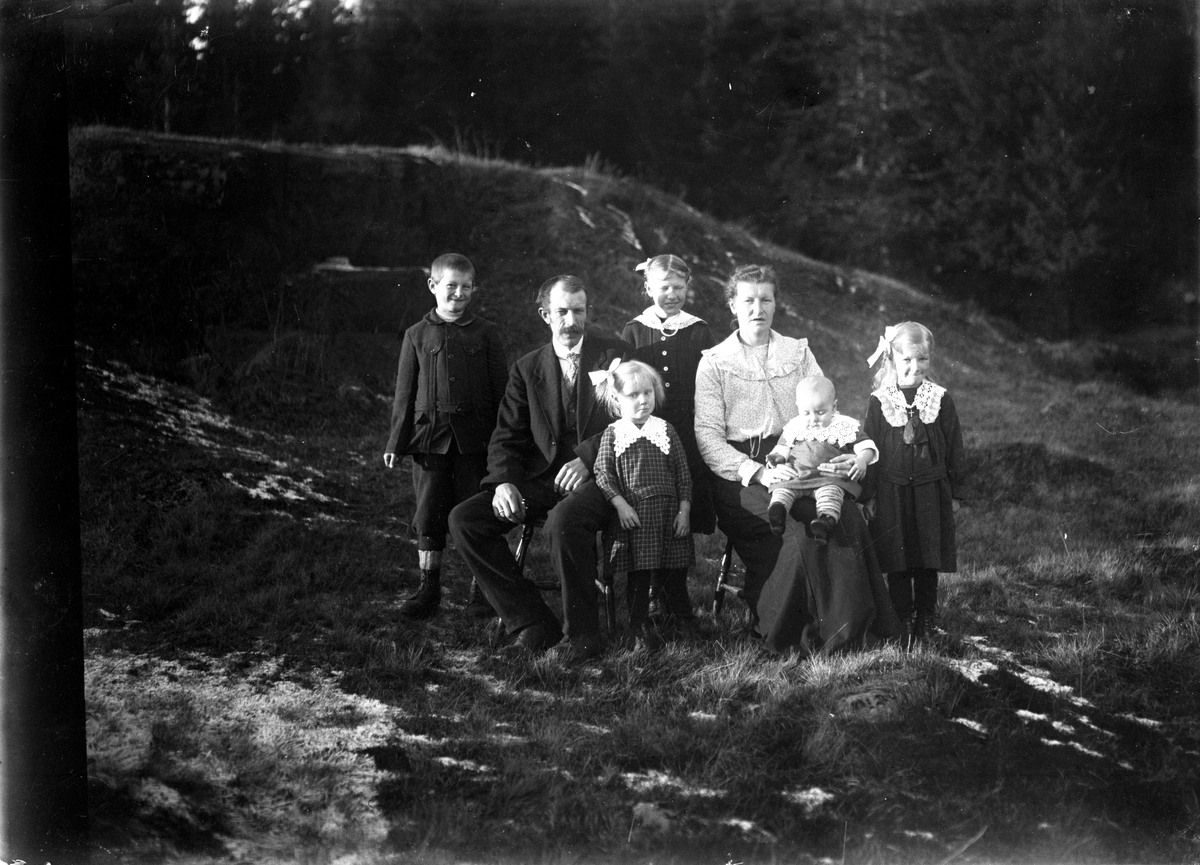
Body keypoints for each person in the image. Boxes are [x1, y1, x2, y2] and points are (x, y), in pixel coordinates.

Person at [694, 264, 900, 654]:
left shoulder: (798, 352)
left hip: (808, 459)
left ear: (775, 304)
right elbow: (707, 437)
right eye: (748, 300)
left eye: (766, 299)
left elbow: (828, 410)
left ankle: (855, 628)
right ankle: (798, 635)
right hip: (746, 473)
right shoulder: (715, 362)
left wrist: (840, 456)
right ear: (733, 306)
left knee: (846, 518)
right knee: (799, 534)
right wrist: (757, 473)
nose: (758, 308)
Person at [447, 275, 632, 664]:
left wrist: (587, 458)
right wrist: (503, 483)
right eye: (562, 312)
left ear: (588, 312)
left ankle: (582, 636)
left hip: (601, 478)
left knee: (563, 521)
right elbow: (506, 436)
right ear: (545, 314)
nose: (571, 321)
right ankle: (531, 621)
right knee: (466, 519)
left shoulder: (614, 354)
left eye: (579, 311)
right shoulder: (527, 368)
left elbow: (634, 420)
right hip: (541, 480)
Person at [383, 253, 507, 620]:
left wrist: (503, 443)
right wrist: (395, 442)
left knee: (474, 512)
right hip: (429, 441)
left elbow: (503, 393)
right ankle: (428, 588)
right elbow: (404, 395)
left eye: (466, 287)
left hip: (475, 442)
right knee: (429, 513)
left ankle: (480, 592)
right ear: (433, 286)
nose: (458, 294)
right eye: (450, 286)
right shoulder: (416, 335)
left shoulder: (487, 333)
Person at [619, 254, 717, 632]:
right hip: (648, 434)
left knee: (681, 507)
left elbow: (711, 380)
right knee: (652, 507)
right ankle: (651, 594)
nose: (672, 294)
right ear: (648, 288)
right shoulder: (634, 330)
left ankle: (675, 594)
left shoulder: (699, 331)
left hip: (688, 434)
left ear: (688, 287)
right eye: (664, 287)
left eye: (679, 287)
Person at [861, 322, 964, 649]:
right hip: (892, 494)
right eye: (906, 360)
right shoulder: (880, 402)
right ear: (892, 359)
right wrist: (869, 494)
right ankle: (902, 618)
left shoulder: (940, 400)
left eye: (922, 360)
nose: (914, 367)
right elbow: (871, 449)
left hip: (930, 492)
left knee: (926, 556)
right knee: (898, 557)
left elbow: (955, 446)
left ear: (929, 359)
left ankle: (926, 619)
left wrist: (956, 493)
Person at [592, 360, 693, 653]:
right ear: (616, 399)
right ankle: (639, 627)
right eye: (633, 395)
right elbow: (603, 473)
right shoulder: (614, 433)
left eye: (647, 393)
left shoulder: (666, 430)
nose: (643, 400)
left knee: (675, 572)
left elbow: (683, 474)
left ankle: (683, 619)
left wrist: (684, 510)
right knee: (638, 575)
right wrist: (621, 506)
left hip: (668, 515)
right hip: (635, 517)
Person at [765, 375, 878, 543]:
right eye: (806, 413)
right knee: (783, 489)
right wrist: (777, 458)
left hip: (829, 478)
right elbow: (783, 448)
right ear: (798, 409)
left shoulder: (843, 425)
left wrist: (862, 459)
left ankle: (825, 522)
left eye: (820, 412)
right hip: (798, 475)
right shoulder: (795, 426)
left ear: (834, 406)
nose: (813, 419)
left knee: (831, 496)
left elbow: (866, 446)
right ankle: (778, 513)